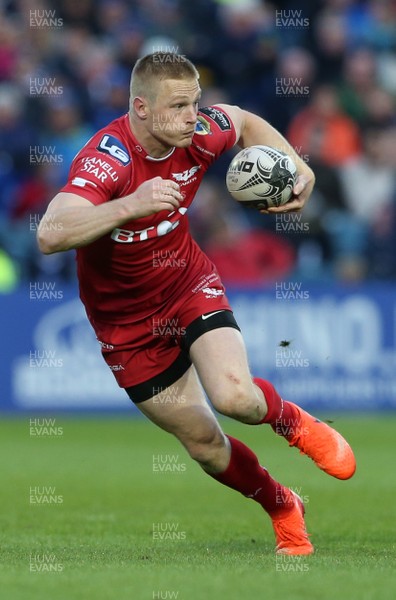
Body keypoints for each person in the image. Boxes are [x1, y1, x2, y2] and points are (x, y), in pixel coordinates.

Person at [37, 52, 356, 556]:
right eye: (180, 106)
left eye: (196, 103)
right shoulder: (107, 160)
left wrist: (297, 165)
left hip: (188, 284)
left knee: (236, 399)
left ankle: (293, 422)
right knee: (206, 446)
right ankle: (283, 505)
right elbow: (51, 233)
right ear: (141, 108)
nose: (193, 116)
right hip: (125, 324)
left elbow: (245, 121)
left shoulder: (199, 133)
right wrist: (130, 204)